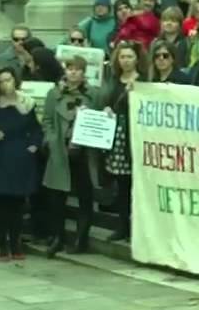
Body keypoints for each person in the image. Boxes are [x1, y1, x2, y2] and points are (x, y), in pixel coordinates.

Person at [0, 67, 43, 261]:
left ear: (16, 80)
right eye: (2, 81)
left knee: (17, 205)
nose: (6, 84)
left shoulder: (26, 103)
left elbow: (36, 129)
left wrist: (33, 145)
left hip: (20, 157)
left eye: (9, 79)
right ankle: (2, 246)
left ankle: (16, 244)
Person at [42, 55, 98, 256]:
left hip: (84, 151)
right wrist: (51, 139)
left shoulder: (93, 95)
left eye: (78, 69)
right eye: (70, 69)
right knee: (57, 197)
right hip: (60, 149)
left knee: (85, 195)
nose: (73, 72)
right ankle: (58, 238)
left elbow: (100, 117)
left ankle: (81, 239)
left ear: (84, 73)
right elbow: (47, 120)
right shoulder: (54, 94)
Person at [101, 42, 144, 242]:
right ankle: (122, 226)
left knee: (137, 185)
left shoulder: (143, 81)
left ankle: (137, 227)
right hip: (116, 136)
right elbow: (106, 102)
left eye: (129, 57)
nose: (126, 60)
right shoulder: (113, 81)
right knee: (121, 186)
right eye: (122, 57)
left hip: (134, 135)